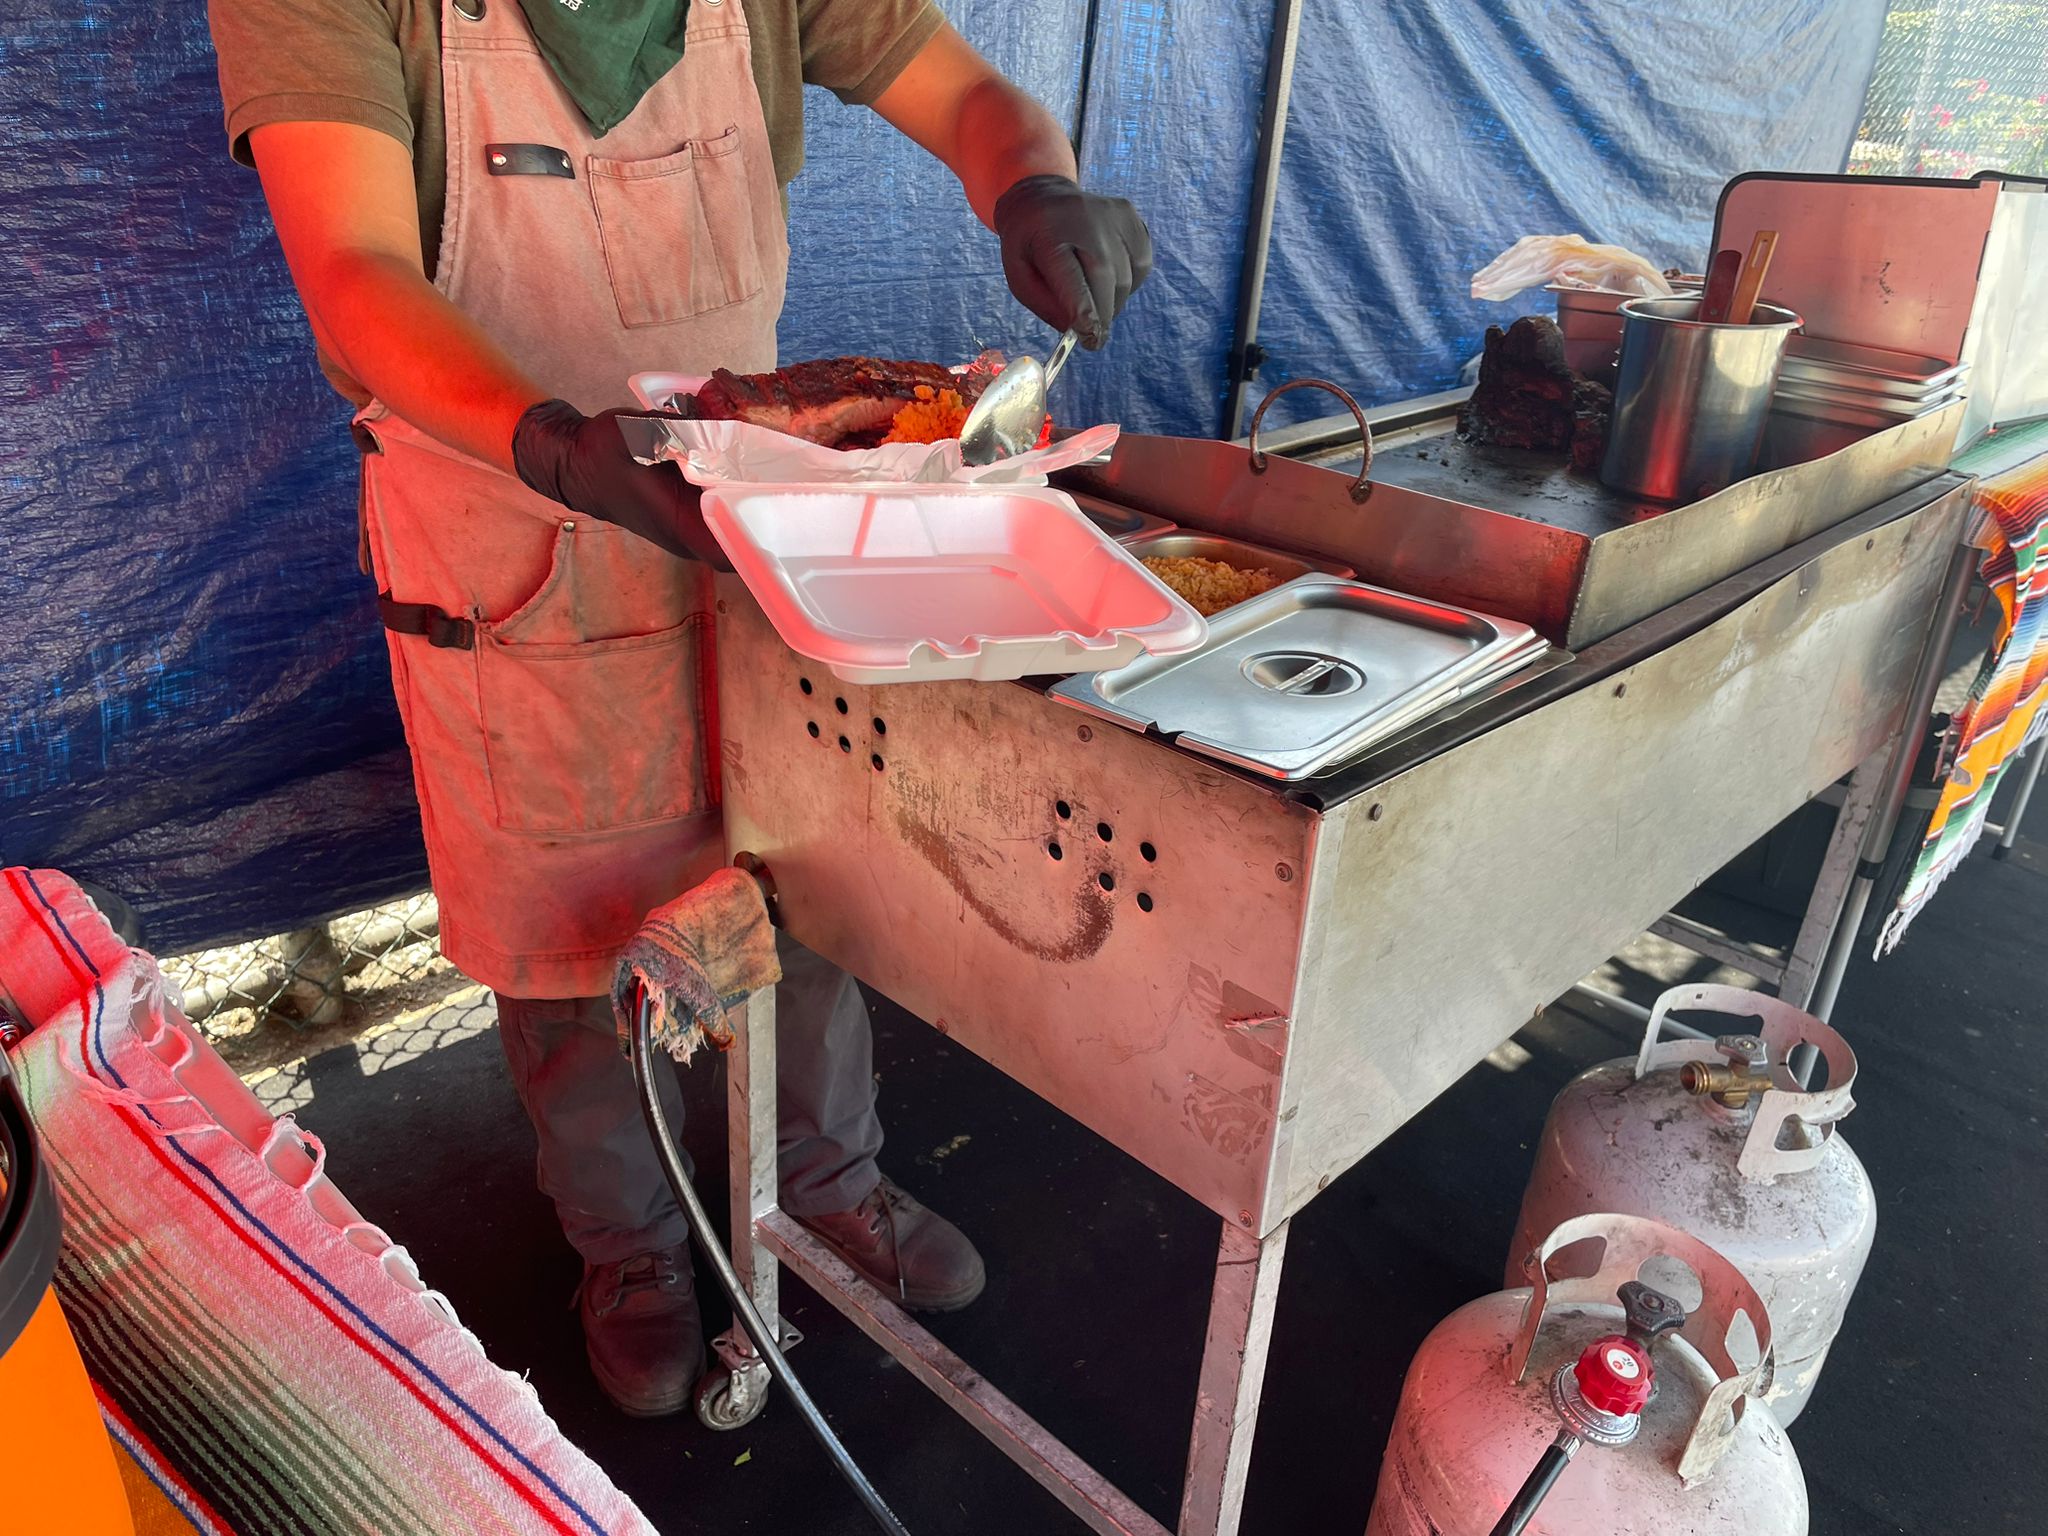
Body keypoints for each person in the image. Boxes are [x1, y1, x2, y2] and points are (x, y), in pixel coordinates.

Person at [205, 0, 1152, 1418]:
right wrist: (555, 446)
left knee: (804, 877)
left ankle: (827, 1186)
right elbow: (353, 269)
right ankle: (630, 1248)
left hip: (745, 527)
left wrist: (1031, 182)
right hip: (506, 532)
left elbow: (969, 96)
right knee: (561, 929)